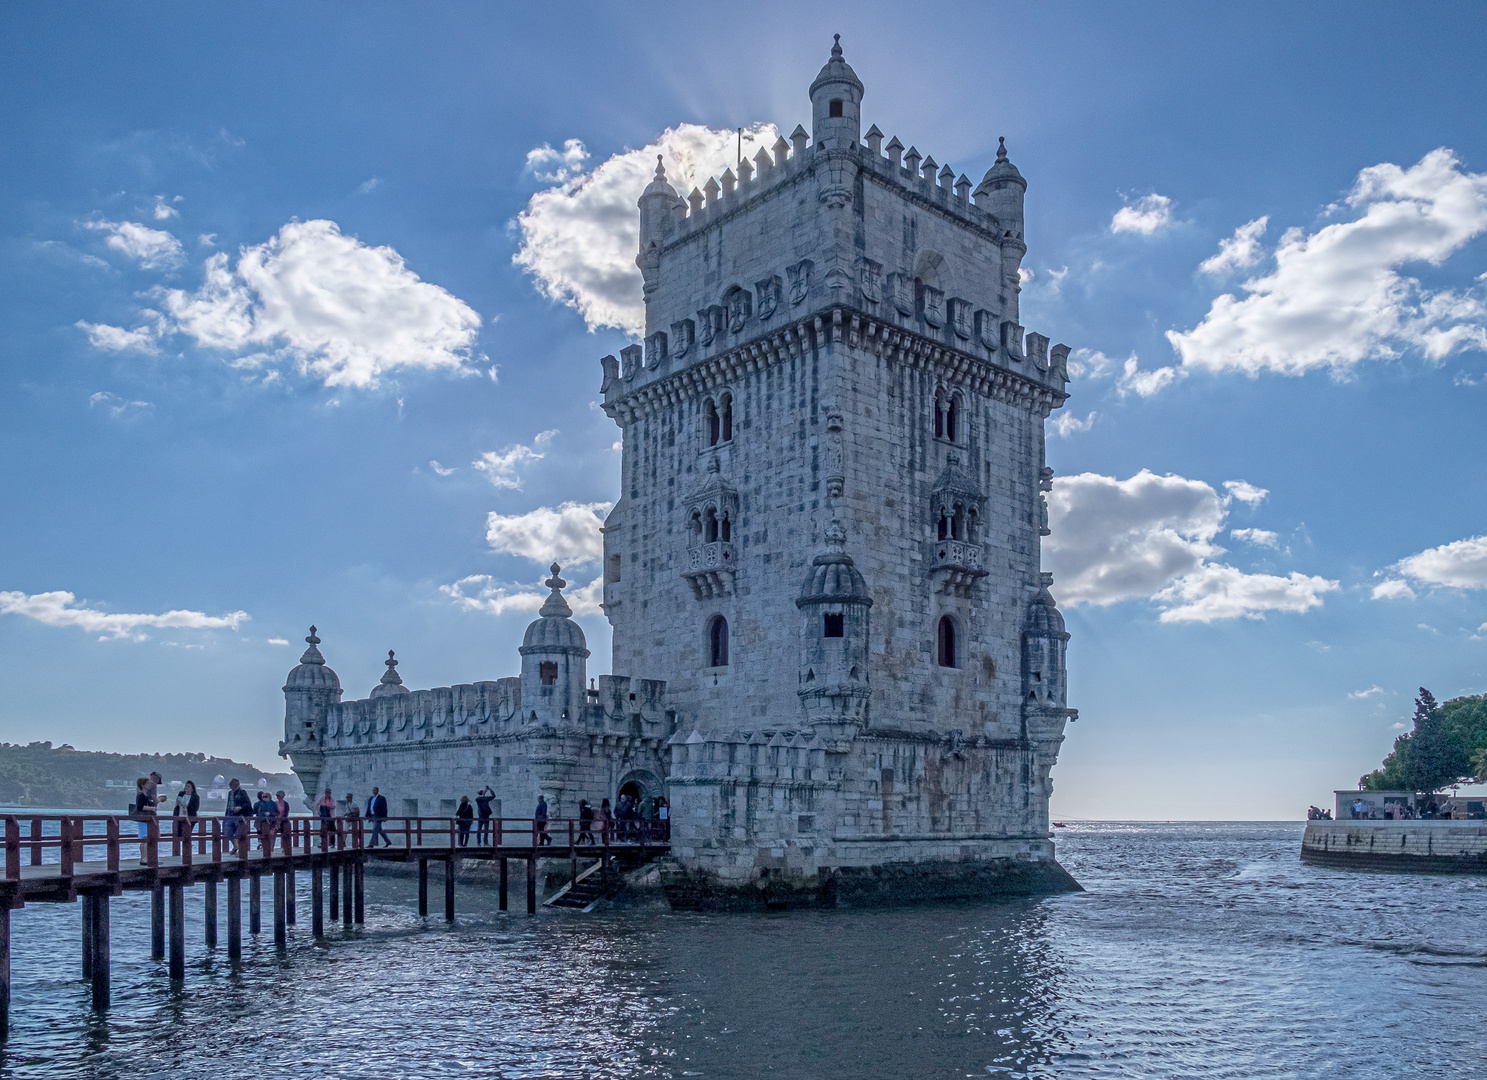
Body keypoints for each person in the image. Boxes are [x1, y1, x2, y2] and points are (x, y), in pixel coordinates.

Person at [225, 778, 253, 857]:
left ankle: (240, 851)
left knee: (239, 833)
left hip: (240, 816)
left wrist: (240, 807)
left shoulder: (242, 792)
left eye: (233, 785)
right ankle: (235, 846)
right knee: (227, 831)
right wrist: (226, 815)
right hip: (230, 815)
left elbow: (248, 804)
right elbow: (228, 804)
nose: (232, 787)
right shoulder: (230, 793)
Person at [173, 781, 200, 855]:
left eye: (188, 786)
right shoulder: (181, 794)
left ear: (192, 788)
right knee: (179, 835)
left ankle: (187, 852)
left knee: (187, 835)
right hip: (180, 816)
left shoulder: (195, 797)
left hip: (190, 818)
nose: (186, 788)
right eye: (186, 786)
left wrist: (185, 805)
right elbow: (177, 802)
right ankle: (177, 853)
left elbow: (195, 808)